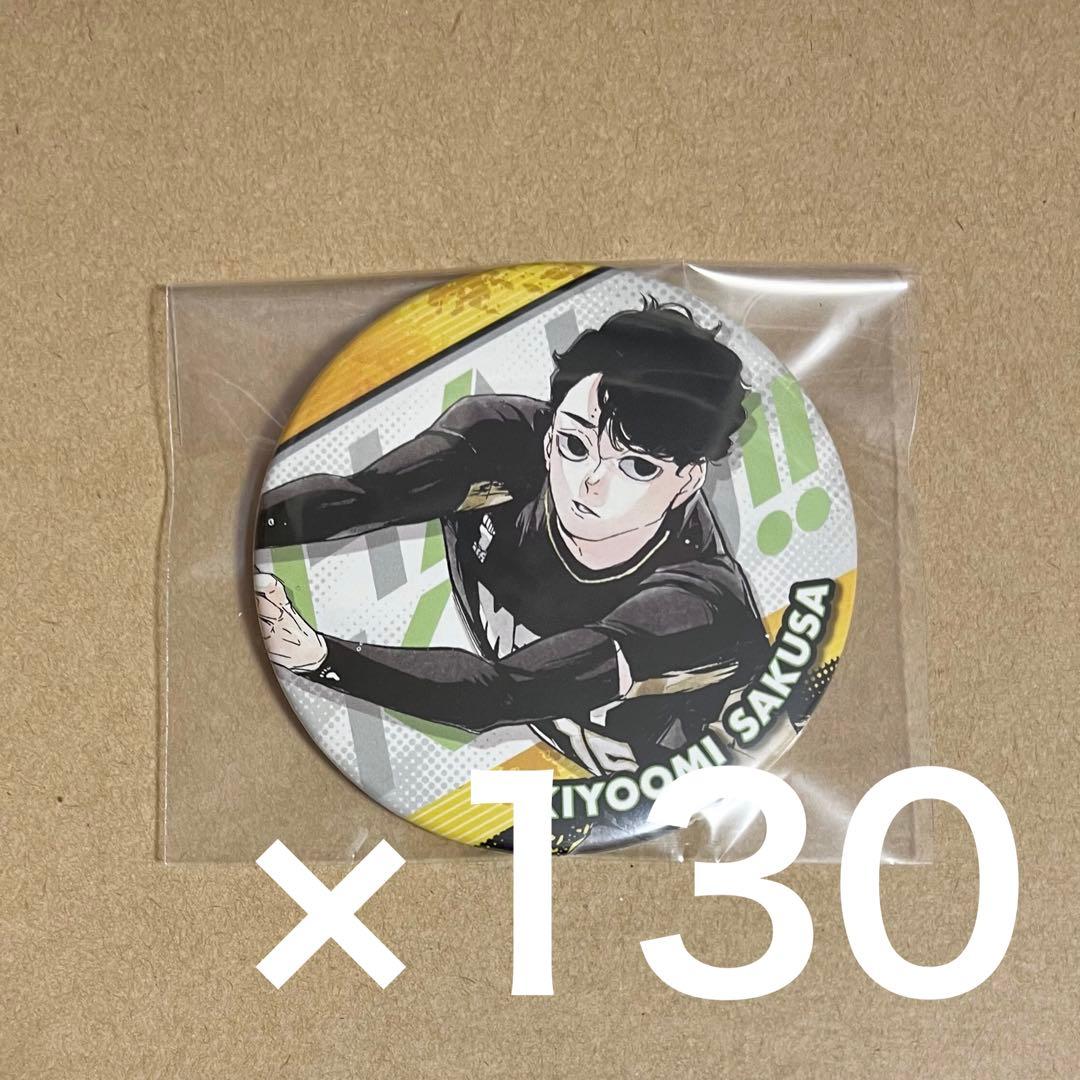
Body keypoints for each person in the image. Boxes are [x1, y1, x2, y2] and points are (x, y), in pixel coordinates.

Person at [256, 298, 769, 778]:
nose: (591, 481)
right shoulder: (499, 445)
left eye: (637, 466)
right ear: (549, 433)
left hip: (691, 788)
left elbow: (497, 695)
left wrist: (320, 658)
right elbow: (362, 498)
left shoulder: (698, 604)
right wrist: (244, 535)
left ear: (687, 481)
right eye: (574, 444)